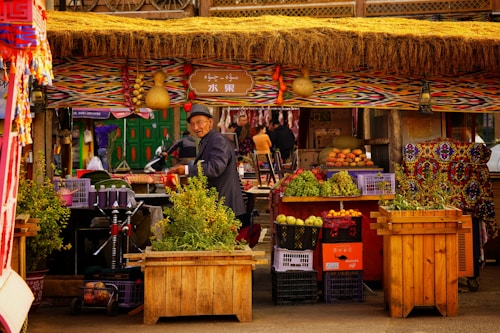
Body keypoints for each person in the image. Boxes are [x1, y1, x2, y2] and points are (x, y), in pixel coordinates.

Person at [169, 104, 246, 221]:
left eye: (199, 122)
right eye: (193, 124)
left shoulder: (217, 140)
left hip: (225, 205)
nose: (195, 128)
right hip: (218, 205)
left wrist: (187, 170)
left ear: (210, 122)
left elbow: (216, 167)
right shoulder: (207, 140)